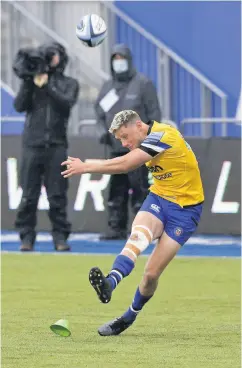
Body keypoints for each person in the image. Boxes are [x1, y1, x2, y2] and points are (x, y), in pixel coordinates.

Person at [61, 110, 204, 336]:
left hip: (185, 211)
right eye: (120, 139)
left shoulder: (162, 136)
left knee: (150, 275)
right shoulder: (147, 140)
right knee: (137, 239)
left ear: (139, 125)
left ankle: (129, 316)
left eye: (125, 137)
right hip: (159, 198)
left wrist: (85, 166)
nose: (125, 143)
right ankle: (109, 283)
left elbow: (127, 164)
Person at [14, 42, 79, 252]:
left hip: (56, 146)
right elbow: (19, 105)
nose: (50, 59)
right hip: (32, 145)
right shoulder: (32, 82)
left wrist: (48, 85)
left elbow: (66, 103)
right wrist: (30, 82)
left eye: (53, 55)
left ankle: (60, 237)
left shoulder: (69, 83)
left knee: (57, 195)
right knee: (28, 195)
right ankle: (26, 238)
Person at [95, 44, 161, 240]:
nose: (118, 62)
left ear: (129, 60)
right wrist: (102, 132)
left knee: (141, 189)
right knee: (116, 190)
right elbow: (99, 113)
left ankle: (144, 229)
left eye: (121, 58)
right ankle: (116, 227)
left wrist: (150, 143)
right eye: (115, 58)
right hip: (115, 148)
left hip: (139, 149)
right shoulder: (108, 86)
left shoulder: (143, 84)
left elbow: (155, 114)